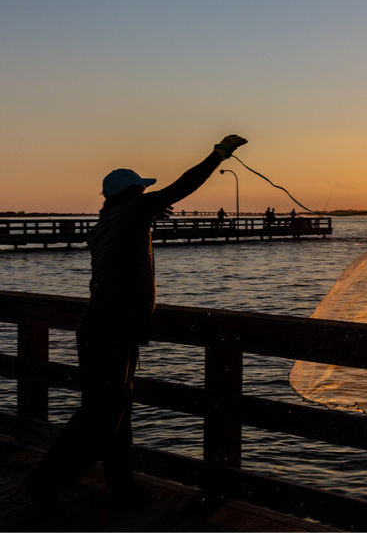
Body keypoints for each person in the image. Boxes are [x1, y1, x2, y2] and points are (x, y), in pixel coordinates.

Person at [25, 134, 247, 513]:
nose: (147, 197)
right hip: (111, 329)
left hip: (105, 329)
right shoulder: (130, 214)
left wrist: (147, 211)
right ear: (133, 194)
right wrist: (218, 155)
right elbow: (181, 188)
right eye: (141, 192)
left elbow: (138, 217)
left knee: (115, 409)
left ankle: (121, 484)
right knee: (101, 416)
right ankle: (44, 482)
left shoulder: (108, 221)